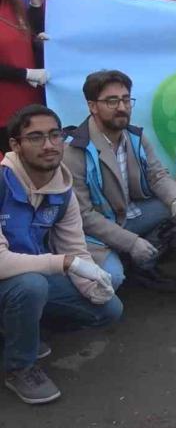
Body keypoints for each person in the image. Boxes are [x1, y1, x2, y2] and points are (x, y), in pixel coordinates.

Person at [1, 105, 121, 405]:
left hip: (27, 279)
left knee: (108, 308)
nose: (49, 145)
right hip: (16, 280)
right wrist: (65, 263)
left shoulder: (62, 189)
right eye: (36, 137)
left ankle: (21, 331)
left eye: (55, 135)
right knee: (31, 285)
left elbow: (74, 247)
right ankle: (19, 367)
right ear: (16, 145)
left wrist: (92, 284)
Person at [64, 70, 176, 293]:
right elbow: (84, 216)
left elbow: (157, 176)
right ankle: (125, 255)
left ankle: (144, 267)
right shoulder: (74, 150)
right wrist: (130, 242)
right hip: (93, 230)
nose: (122, 107)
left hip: (128, 215)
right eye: (111, 101)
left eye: (126, 99)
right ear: (92, 106)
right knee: (112, 278)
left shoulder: (135, 137)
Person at [0, 0, 48, 153]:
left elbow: (28, 39)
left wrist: (35, 7)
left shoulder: (15, 4)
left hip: (29, 106)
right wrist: (25, 74)